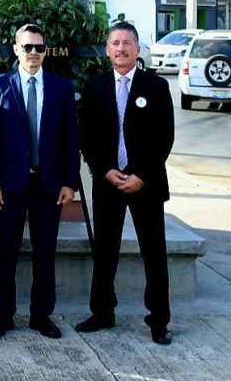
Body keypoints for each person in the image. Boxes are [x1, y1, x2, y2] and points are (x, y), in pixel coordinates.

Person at [76, 22, 175, 345]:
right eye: (115, 43)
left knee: (153, 253)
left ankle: (158, 320)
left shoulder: (156, 87)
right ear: (107, 50)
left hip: (145, 183)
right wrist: (104, 170)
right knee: (105, 251)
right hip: (108, 182)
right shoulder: (95, 88)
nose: (121, 48)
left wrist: (141, 175)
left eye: (127, 43)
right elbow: (87, 138)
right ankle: (102, 311)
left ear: (138, 48)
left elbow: (165, 137)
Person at [0, 23, 79, 339]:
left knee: (45, 253)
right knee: (5, 252)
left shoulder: (61, 88)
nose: (33, 53)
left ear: (45, 51)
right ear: (16, 50)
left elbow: (70, 138)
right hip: (8, 186)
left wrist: (70, 182)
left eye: (38, 47)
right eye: (27, 47)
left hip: (48, 185)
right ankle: (4, 314)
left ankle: (41, 315)